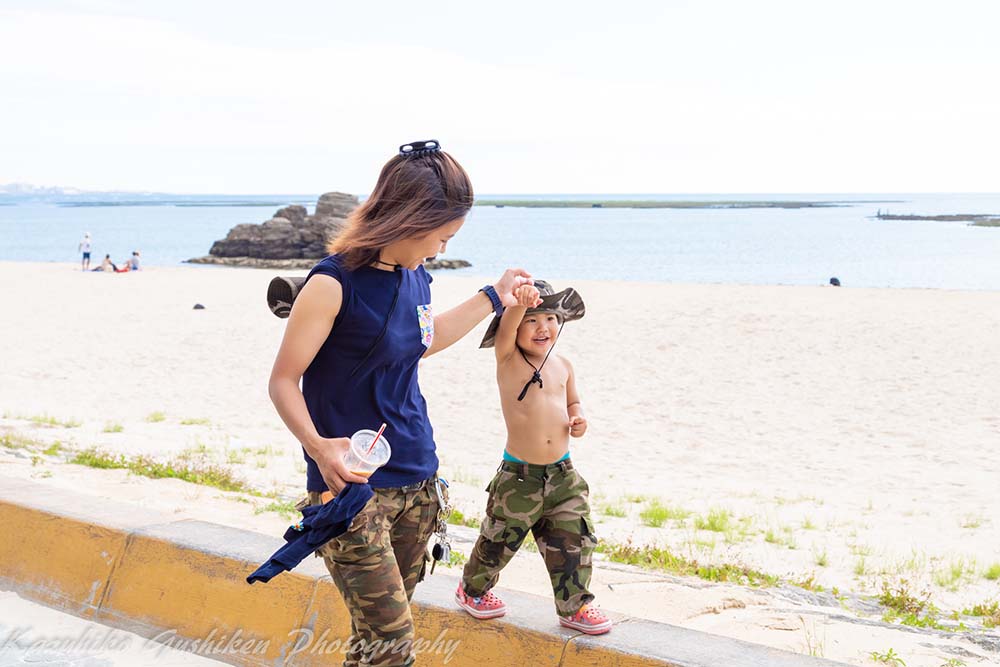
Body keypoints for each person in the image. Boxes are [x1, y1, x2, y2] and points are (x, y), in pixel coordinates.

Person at [268, 139, 533, 667]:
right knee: (393, 644)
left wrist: (493, 298)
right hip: (351, 492)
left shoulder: (417, 278)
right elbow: (283, 380)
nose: (440, 248)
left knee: (375, 643)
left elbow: (422, 340)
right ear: (410, 218)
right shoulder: (331, 282)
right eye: (440, 235)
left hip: (418, 479)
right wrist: (319, 448)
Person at [454, 280, 612, 635]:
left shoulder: (564, 365)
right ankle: (472, 590)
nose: (543, 328)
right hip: (519, 478)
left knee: (574, 540)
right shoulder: (509, 357)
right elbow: (507, 326)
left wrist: (578, 417)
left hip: (563, 474)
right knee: (498, 541)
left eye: (550, 319)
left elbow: (573, 400)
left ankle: (575, 605)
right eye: (531, 319)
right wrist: (515, 306)